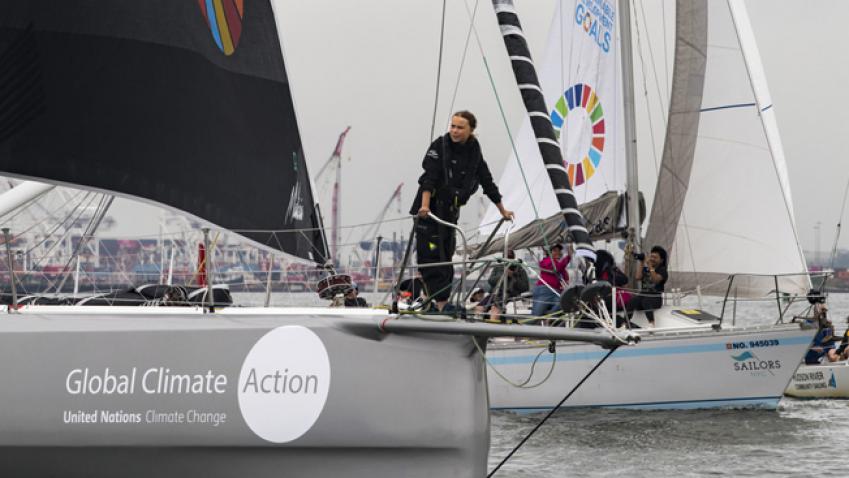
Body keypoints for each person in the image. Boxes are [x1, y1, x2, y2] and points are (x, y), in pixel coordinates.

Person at [410, 110, 513, 312]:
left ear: (471, 130)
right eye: (453, 126)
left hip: (449, 212)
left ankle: (440, 303)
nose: (455, 131)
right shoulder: (440, 146)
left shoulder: (474, 152)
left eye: (460, 127)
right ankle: (436, 303)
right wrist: (424, 205)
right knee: (431, 255)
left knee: (446, 256)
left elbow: (487, 181)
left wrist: (503, 210)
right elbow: (429, 178)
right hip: (428, 211)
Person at [625, 245, 668, 327]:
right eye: (651, 256)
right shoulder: (646, 268)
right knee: (632, 300)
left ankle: (652, 323)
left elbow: (656, 279)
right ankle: (625, 322)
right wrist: (641, 262)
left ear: (661, 260)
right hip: (643, 296)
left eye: (655, 257)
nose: (652, 259)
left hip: (655, 299)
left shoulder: (662, 270)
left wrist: (650, 267)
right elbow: (638, 277)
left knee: (646, 300)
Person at [531, 244, 570, 317]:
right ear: (549, 253)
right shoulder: (546, 261)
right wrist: (569, 256)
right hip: (545, 290)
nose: (558, 252)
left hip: (555, 292)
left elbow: (564, 277)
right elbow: (557, 268)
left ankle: (549, 318)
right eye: (555, 251)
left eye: (559, 251)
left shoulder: (560, 267)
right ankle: (525, 327)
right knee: (536, 316)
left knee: (563, 303)